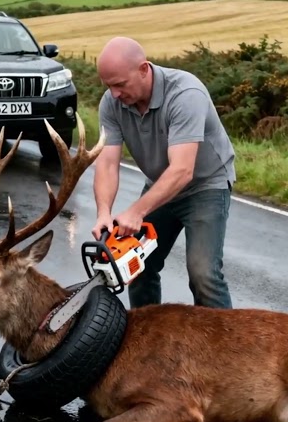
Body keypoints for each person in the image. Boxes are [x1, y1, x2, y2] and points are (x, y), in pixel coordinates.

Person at [89, 37, 237, 310]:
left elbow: (182, 170)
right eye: (108, 86)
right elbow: (108, 163)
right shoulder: (112, 102)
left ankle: (229, 350)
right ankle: (147, 341)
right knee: (134, 264)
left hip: (206, 186)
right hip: (161, 185)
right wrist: (104, 213)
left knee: (203, 274)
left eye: (120, 84)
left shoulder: (185, 94)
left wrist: (136, 211)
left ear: (144, 69)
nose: (115, 94)